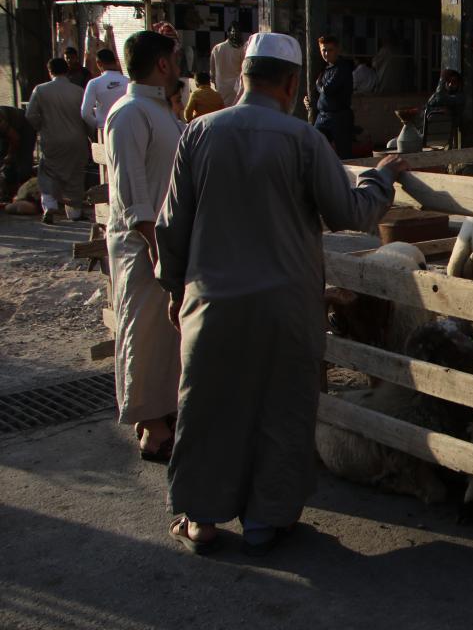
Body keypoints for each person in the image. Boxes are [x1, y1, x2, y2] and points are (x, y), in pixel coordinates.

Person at [155, 32, 407, 556]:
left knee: (207, 407)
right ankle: (264, 522)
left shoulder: (199, 132)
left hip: (212, 302)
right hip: (285, 306)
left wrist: (175, 291)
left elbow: (171, 227)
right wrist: (380, 180)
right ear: (292, 84)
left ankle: (200, 519)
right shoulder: (304, 140)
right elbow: (349, 213)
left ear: (244, 77)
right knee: (281, 408)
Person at [104, 30, 186, 463]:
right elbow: (133, 194)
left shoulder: (161, 111)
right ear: (162, 64)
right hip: (143, 246)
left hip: (166, 243)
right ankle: (152, 430)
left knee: (167, 336)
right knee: (144, 332)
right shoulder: (129, 113)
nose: (179, 67)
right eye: (175, 59)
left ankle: (164, 413)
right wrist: (156, 251)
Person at [25, 57, 90, 224]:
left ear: (50, 71)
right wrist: (90, 136)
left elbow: (30, 115)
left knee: (48, 173)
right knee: (75, 175)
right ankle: (75, 212)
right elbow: (86, 115)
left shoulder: (40, 90)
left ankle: (50, 206)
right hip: (77, 140)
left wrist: (42, 127)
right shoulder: (79, 91)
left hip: (52, 139)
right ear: (67, 71)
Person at [303, 35, 354, 158]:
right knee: (313, 148)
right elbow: (318, 92)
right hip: (323, 116)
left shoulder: (342, 68)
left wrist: (318, 84)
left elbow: (327, 90)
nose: (326, 54)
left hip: (339, 117)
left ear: (337, 50)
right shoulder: (325, 68)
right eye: (323, 50)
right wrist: (309, 100)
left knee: (344, 155)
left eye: (330, 50)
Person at [80, 48, 129, 133]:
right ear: (115, 61)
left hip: (104, 128)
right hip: (126, 128)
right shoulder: (128, 81)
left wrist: (98, 125)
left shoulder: (94, 83)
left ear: (99, 63)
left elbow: (85, 113)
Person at [0, 106, 36, 201]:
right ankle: (8, 191)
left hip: (25, 125)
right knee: (3, 159)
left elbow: (15, 138)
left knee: (23, 161)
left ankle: (26, 194)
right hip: (7, 130)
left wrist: (10, 155)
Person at [209, 22, 247, 107]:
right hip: (235, 88)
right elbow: (244, 70)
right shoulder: (241, 49)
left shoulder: (217, 48)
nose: (236, 35)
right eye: (235, 32)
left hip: (220, 87)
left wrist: (215, 82)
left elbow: (212, 72)